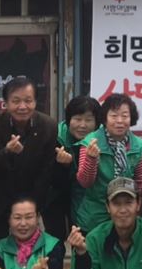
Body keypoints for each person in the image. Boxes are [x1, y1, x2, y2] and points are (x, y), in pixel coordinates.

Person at [0, 76, 58, 246]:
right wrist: (6, 151)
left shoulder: (48, 126)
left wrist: (33, 206)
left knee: (29, 250)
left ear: (35, 102)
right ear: (6, 103)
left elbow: (46, 171)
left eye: (28, 101)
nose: (22, 106)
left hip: (31, 199)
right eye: (16, 101)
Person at [76, 93, 142, 233]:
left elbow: (138, 182)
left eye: (125, 116)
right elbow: (84, 182)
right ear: (105, 118)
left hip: (124, 214)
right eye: (114, 116)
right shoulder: (90, 142)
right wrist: (91, 159)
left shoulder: (138, 145)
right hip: (94, 215)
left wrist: (131, 208)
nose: (119, 121)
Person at [42, 95, 101, 240]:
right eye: (77, 119)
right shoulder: (55, 136)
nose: (82, 125)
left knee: (83, 237)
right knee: (56, 238)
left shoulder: (101, 140)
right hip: (55, 196)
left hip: (87, 196)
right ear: (68, 119)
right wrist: (62, 166)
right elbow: (47, 178)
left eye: (88, 120)